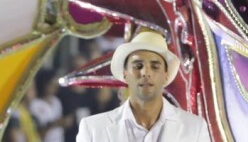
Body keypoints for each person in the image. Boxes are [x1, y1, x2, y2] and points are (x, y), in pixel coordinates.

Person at [76, 31, 211, 142]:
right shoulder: (93, 129)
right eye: (138, 66)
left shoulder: (194, 127)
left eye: (155, 66)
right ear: (125, 75)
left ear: (166, 75)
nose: (146, 73)